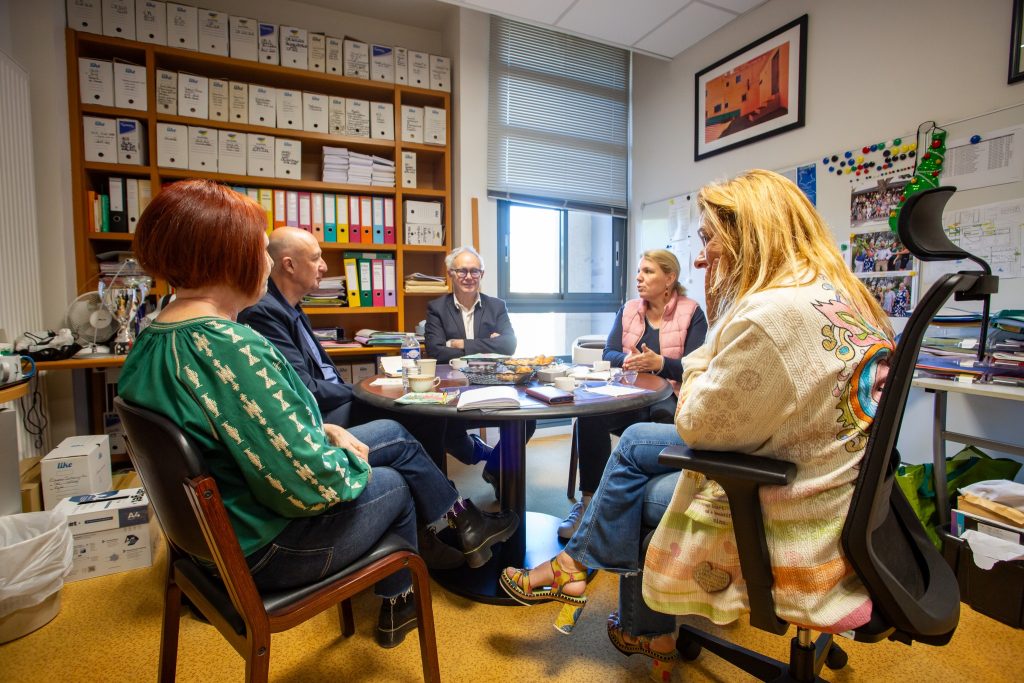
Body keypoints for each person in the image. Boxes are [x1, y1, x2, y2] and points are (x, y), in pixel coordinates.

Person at [500, 170, 894, 679]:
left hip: (789, 507)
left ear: (750, 233)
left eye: (708, 239)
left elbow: (695, 424)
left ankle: (626, 612)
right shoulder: (847, 298)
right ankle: (603, 592)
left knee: (634, 495)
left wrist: (715, 335)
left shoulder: (768, 316)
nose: (702, 257)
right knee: (638, 442)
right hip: (834, 484)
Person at [117, 180, 519, 650]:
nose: (267, 261)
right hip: (266, 552)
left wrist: (320, 430)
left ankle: (433, 559)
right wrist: (351, 453)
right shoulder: (231, 348)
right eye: (258, 248)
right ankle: (404, 595)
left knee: (388, 434)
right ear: (225, 256)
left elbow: (235, 432)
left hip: (208, 544)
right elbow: (312, 485)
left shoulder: (150, 340)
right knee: (395, 479)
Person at [237, 227, 444, 464]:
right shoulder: (265, 312)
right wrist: (364, 389)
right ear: (289, 265)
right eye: (316, 258)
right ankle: (447, 494)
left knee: (425, 411)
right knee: (424, 416)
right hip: (319, 416)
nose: (324, 266)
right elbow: (305, 389)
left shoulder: (290, 305)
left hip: (335, 402)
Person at [557, 249, 706, 539]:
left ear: (669, 278)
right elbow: (609, 352)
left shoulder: (691, 312)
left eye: (648, 271)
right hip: (626, 395)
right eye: (639, 271)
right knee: (591, 415)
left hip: (668, 399)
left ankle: (647, 511)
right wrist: (629, 360)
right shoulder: (628, 310)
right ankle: (589, 503)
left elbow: (693, 367)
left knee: (662, 418)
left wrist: (659, 363)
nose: (639, 277)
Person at [424, 245, 535, 493]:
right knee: (439, 427)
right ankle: (473, 456)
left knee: (528, 420)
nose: (468, 277)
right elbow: (435, 351)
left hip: (493, 386)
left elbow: (509, 345)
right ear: (451, 274)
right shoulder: (437, 308)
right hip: (454, 390)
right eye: (462, 270)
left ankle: (494, 469)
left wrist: (460, 344)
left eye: (475, 271)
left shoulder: (496, 306)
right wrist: (488, 346)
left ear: (482, 275)